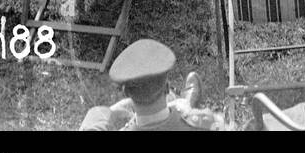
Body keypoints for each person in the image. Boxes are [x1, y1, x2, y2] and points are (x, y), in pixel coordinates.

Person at [80, 39, 221, 131]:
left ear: (126, 93)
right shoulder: (206, 123)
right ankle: (186, 104)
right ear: (167, 86)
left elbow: (92, 123)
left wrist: (112, 110)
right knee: (185, 109)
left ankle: (183, 103)